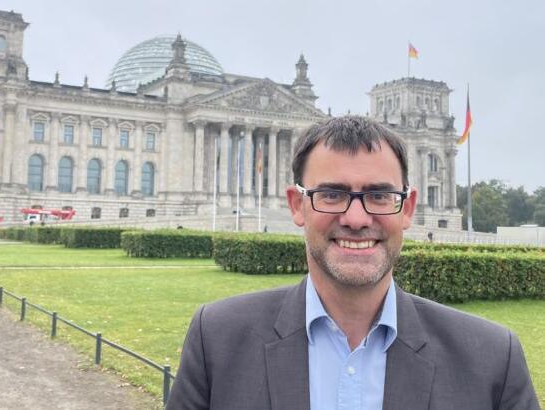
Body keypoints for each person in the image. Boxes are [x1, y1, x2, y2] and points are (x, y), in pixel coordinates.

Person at [167, 116, 538, 409]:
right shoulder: (216, 340)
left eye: (379, 195)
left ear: (407, 208)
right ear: (297, 206)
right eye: (331, 194)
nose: (357, 218)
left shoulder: (491, 358)